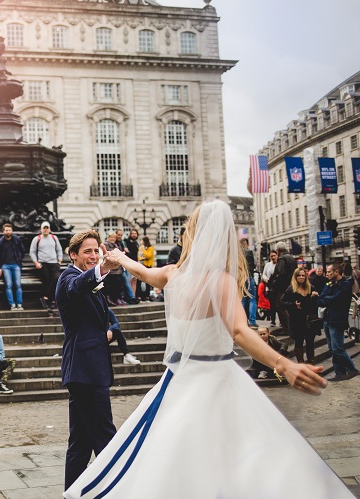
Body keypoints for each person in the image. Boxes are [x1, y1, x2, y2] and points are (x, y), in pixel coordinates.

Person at [65, 199, 347, 499]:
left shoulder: (173, 274)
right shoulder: (220, 281)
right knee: (241, 458)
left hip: (178, 382)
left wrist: (120, 258)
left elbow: (141, 271)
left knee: (170, 460)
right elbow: (239, 331)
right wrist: (284, 364)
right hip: (217, 379)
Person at [56, 229, 118, 490]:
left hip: (88, 370)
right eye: (87, 251)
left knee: (80, 443)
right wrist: (102, 269)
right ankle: (119, 490)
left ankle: (72, 493)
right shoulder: (69, 277)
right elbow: (76, 287)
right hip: (85, 371)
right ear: (73, 255)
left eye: (96, 250)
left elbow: (109, 319)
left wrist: (110, 332)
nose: (93, 256)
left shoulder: (92, 283)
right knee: (106, 438)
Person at [317, 263, 360, 382]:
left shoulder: (345, 284)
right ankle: (339, 372)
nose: (327, 274)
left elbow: (337, 299)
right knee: (332, 349)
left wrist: (326, 299)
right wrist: (327, 299)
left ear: (336, 272)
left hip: (337, 320)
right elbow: (320, 300)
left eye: (329, 272)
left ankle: (352, 369)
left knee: (337, 348)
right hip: (327, 319)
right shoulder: (329, 284)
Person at [281, 268, 317, 364]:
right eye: (299, 275)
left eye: (302, 275)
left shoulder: (311, 287)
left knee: (310, 341)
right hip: (297, 320)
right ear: (295, 277)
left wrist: (315, 297)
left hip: (309, 319)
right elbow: (282, 302)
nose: (301, 277)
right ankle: (300, 362)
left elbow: (316, 304)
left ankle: (311, 361)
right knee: (299, 341)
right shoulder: (291, 289)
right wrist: (293, 305)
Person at [30, 221, 63, 310]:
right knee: (47, 280)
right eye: (44, 228)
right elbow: (32, 252)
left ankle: (45, 297)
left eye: (47, 228)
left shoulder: (54, 238)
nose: (45, 230)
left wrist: (59, 260)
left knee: (56, 278)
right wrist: (36, 262)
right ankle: (51, 300)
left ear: (49, 229)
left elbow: (59, 249)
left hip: (54, 263)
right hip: (42, 263)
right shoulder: (37, 239)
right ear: (41, 229)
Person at [267, 241, 297, 332]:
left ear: (277, 250)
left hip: (283, 287)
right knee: (289, 307)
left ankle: (287, 327)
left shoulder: (282, 259)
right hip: (291, 285)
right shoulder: (291, 258)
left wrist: (273, 285)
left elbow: (280, 274)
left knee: (280, 306)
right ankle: (291, 326)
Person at [0, 223, 24, 310]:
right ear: (3, 231)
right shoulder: (0, 242)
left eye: (9, 230)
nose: (8, 232)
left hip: (15, 264)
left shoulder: (17, 239)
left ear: (12, 231)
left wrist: (19, 259)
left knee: (18, 284)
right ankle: (12, 304)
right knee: (9, 285)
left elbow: (22, 250)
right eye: (6, 230)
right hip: (5, 266)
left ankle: (19, 303)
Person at [100, 233, 126, 306]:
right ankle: (110, 300)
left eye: (114, 238)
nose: (113, 239)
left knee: (118, 285)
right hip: (110, 270)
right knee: (110, 286)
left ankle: (115, 299)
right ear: (108, 238)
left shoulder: (116, 245)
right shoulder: (106, 245)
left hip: (117, 269)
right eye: (111, 237)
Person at [114, 230, 138, 304]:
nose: (120, 236)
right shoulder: (119, 243)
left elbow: (129, 254)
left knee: (128, 281)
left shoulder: (122, 243)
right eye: (118, 235)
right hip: (118, 266)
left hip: (125, 265)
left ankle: (131, 297)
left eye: (121, 235)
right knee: (126, 281)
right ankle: (131, 297)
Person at [240, 238, 258, 327]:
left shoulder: (236, 254)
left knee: (242, 299)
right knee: (251, 299)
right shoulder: (249, 252)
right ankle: (252, 321)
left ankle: (242, 320)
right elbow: (252, 265)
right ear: (245, 244)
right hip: (248, 276)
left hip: (240, 278)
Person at [261, 249, 278, 326]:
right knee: (272, 304)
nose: (273, 257)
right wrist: (266, 279)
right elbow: (263, 274)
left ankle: (282, 321)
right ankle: (273, 320)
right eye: (271, 256)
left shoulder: (279, 264)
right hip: (270, 287)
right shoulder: (268, 265)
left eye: (274, 256)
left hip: (278, 287)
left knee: (279, 305)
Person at [136, 235, 155, 300]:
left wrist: (143, 250)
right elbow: (139, 256)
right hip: (142, 265)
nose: (141, 242)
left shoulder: (150, 248)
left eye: (142, 240)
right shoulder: (141, 247)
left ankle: (147, 295)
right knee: (139, 280)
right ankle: (139, 295)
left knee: (148, 281)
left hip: (148, 266)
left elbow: (148, 256)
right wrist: (142, 257)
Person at [123, 229, 140, 294]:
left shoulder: (136, 243)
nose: (134, 235)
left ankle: (133, 295)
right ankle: (130, 296)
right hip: (128, 263)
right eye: (132, 233)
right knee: (129, 280)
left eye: (135, 233)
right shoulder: (126, 242)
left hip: (135, 264)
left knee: (134, 280)